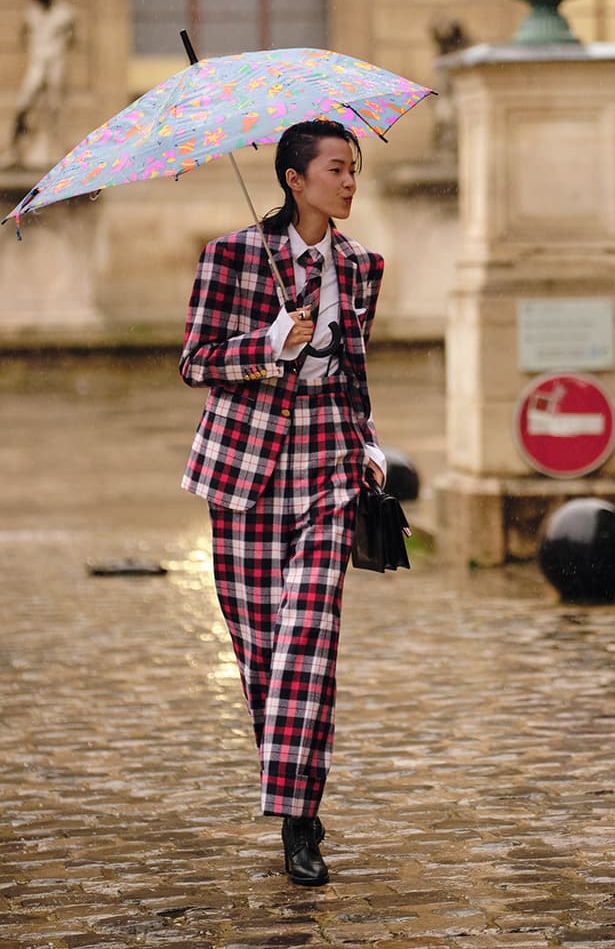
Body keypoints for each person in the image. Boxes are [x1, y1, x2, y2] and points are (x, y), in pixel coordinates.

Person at [179, 119, 386, 887]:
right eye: (337, 169)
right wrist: (269, 343)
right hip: (244, 473)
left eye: (355, 168)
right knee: (263, 654)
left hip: (327, 465)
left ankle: (301, 821)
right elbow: (194, 362)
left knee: (309, 639)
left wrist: (366, 441)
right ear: (295, 180)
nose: (349, 182)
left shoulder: (362, 266)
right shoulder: (229, 256)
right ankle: (299, 798)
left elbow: (354, 371)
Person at [8, 0, 76, 166]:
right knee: (24, 102)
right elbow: (23, 36)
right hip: (38, 62)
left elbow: (72, 36)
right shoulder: (31, 13)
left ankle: (58, 148)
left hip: (55, 62)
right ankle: (16, 146)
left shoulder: (64, 13)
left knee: (56, 105)